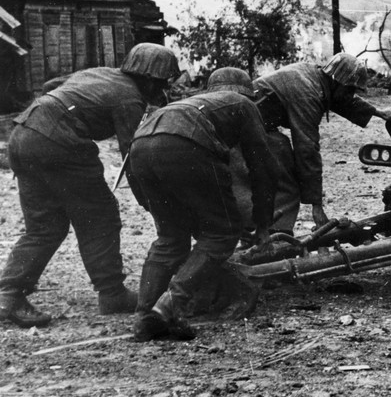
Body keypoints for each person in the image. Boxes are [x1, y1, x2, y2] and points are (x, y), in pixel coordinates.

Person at [0, 43, 179, 328]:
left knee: (45, 227)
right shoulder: (130, 98)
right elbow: (134, 156)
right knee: (100, 216)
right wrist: (153, 202)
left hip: (22, 133)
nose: (162, 90)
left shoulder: (101, 73)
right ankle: (112, 293)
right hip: (59, 140)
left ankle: (8, 295)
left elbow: (51, 84)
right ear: (150, 79)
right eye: (162, 82)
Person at [129, 67, 279, 342]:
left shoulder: (191, 104)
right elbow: (262, 169)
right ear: (249, 93)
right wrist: (264, 226)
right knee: (223, 232)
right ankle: (169, 306)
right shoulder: (245, 106)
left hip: (139, 148)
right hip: (186, 144)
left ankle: (144, 317)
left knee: (170, 237)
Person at [253, 52, 391, 233]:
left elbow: (340, 98)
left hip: (259, 127)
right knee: (285, 177)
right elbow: (307, 149)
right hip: (243, 129)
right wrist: (316, 206)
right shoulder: (308, 93)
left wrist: (378, 112)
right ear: (335, 80)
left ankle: (268, 230)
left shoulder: (317, 78)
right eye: (350, 89)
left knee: (280, 149)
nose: (351, 94)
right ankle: (274, 234)